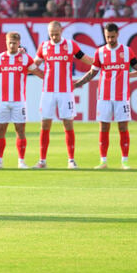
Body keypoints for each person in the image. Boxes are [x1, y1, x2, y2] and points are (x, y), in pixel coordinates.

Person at [73, 23, 137, 169]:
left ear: (117, 34)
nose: (110, 39)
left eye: (112, 36)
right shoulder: (100, 52)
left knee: (123, 127)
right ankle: (103, 161)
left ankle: (124, 161)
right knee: (104, 127)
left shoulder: (127, 51)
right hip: (104, 97)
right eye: (107, 37)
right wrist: (78, 84)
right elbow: (93, 72)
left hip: (122, 97)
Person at [33, 21, 93, 169]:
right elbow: (34, 66)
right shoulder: (44, 46)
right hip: (48, 91)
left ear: (61, 31)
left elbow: (89, 61)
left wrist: (101, 63)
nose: (54, 36)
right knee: (45, 124)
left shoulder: (71, 45)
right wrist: (43, 75)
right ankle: (42, 161)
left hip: (66, 92)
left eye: (56, 33)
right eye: (51, 34)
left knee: (68, 124)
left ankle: (71, 160)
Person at [0, 32, 42, 169]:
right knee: (0, 129)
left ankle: (21, 161)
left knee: (20, 130)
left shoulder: (25, 59)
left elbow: (39, 73)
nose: (12, 45)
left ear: (19, 43)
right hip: (2, 101)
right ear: (6, 42)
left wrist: (52, 75)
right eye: (10, 42)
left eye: (15, 43)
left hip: (19, 102)